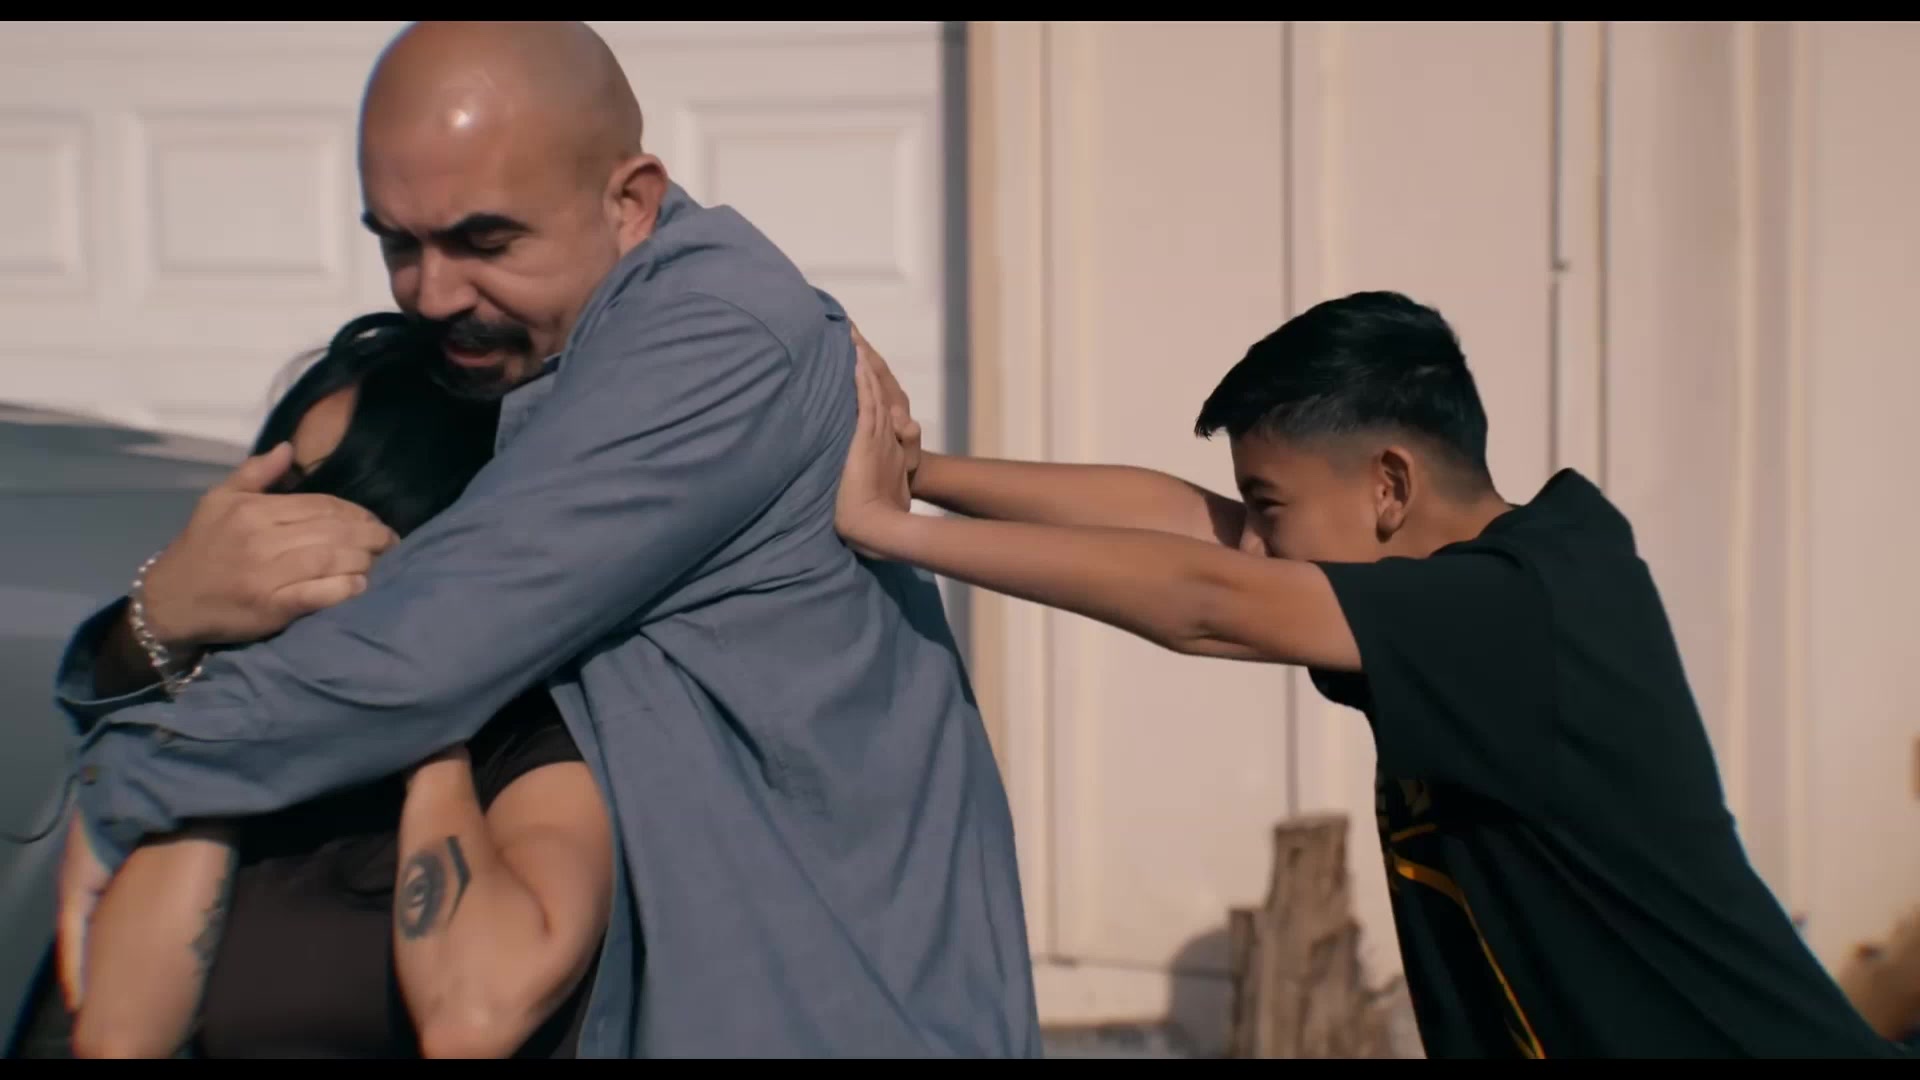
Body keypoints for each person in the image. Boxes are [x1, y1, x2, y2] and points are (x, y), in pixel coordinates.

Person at [51, 21, 1037, 1058]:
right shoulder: (605, 346)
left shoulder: (714, 342)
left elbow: (436, 633)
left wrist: (141, 769)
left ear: (631, 201)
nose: (430, 293)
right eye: (398, 243)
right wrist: (159, 619)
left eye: (484, 242)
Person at [832, 291, 1909, 1058]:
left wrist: (893, 530)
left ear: (1389, 485)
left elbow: (1208, 600)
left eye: (1273, 503)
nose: (1259, 537)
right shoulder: (1478, 581)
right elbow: (1198, 535)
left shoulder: (1517, 611)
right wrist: (920, 474)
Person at [30, 313, 612, 1058]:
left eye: (322, 494)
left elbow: (472, 1016)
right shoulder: (231, 742)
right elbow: (122, 1038)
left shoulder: (538, 744)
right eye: (275, 492)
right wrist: (231, 720)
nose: (265, 534)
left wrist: (424, 712)